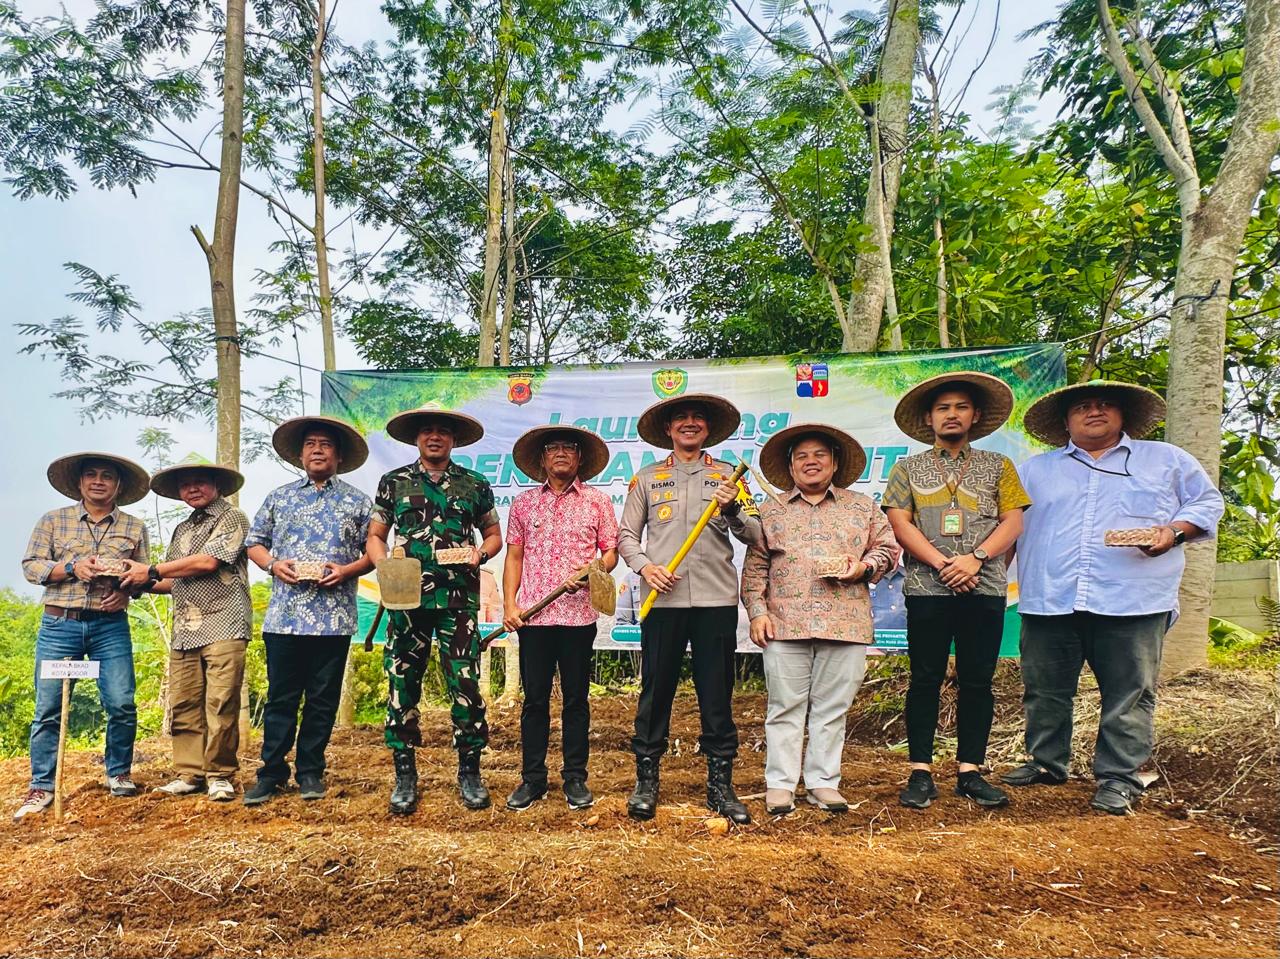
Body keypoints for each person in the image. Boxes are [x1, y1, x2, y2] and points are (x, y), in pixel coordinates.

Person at [1005, 381, 1223, 814]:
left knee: (1129, 692)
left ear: (1123, 415)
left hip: (1133, 599)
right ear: (1066, 421)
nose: (1094, 411)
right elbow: (1009, 527)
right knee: (1045, 689)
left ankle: (1119, 778)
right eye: (1082, 407)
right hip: (1051, 597)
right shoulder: (1035, 470)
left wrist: (1173, 532)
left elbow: (1207, 504)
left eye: (1105, 404)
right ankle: (1046, 763)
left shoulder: (1165, 460)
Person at [883, 371, 1029, 810]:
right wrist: (943, 563)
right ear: (929, 418)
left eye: (960, 407)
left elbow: (1014, 521)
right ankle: (920, 771)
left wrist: (976, 558)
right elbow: (899, 522)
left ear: (976, 415)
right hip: (927, 587)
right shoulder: (907, 468)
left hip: (983, 587)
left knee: (978, 680)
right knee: (925, 677)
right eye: (943, 407)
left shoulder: (999, 466)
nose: (952, 414)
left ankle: (970, 769)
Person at [742, 424, 901, 816]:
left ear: (834, 463)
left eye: (820, 455)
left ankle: (823, 782)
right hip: (784, 623)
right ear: (791, 466)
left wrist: (862, 567)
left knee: (832, 708)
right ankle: (780, 784)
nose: (811, 462)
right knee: (784, 707)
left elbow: (888, 549)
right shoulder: (771, 510)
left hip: (845, 623)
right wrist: (758, 613)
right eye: (801, 456)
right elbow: (755, 566)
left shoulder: (862, 507)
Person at [617, 393, 761, 823]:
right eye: (681, 418)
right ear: (668, 428)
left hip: (715, 600)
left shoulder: (729, 479)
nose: (690, 423)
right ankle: (647, 780)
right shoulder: (645, 479)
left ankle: (720, 786)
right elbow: (626, 536)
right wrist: (646, 568)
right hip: (664, 602)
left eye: (698, 418)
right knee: (655, 691)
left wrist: (733, 507)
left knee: (716, 694)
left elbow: (755, 534)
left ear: (708, 429)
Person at [367, 403, 503, 814]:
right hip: (406, 600)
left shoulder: (474, 484)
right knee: (402, 684)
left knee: (465, 686)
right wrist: (385, 566)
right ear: (416, 438)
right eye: (427, 431)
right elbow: (376, 535)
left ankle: (470, 772)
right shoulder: (394, 482)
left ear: (454, 440)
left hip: (458, 601)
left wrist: (480, 553)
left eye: (443, 431)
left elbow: (494, 534)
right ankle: (405, 775)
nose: (434, 437)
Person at [241, 416, 374, 806]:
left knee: (322, 700)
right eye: (311, 444)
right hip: (284, 616)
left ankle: (311, 771)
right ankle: (270, 773)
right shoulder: (279, 497)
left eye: (326, 445)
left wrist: (348, 570)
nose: (318, 450)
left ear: (339, 455)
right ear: (300, 454)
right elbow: (255, 543)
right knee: (282, 698)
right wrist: (272, 565)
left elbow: (374, 550)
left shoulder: (358, 501)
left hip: (333, 620)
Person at [15, 452, 151, 820]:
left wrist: (127, 592)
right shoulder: (53, 521)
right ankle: (41, 785)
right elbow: (31, 567)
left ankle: (119, 773)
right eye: (91, 475)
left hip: (111, 627)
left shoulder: (134, 527)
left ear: (118, 485)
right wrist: (73, 567)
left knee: (121, 702)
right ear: (79, 483)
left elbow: (143, 576)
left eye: (107, 476)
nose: (98, 481)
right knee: (48, 708)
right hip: (60, 625)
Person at [502, 424, 619, 811]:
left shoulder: (598, 502)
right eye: (553, 448)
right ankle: (532, 779)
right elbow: (514, 557)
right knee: (534, 701)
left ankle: (575, 778)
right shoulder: (523, 504)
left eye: (569, 448)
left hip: (578, 617)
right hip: (534, 619)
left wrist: (590, 570)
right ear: (542, 458)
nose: (562, 453)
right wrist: (509, 606)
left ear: (580, 457)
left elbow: (611, 554)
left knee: (576, 700)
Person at [120, 463, 251, 802]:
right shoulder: (181, 529)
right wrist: (136, 582)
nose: (193, 489)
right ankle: (190, 771)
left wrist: (148, 570)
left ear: (217, 486)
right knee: (184, 701)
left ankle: (220, 774)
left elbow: (207, 562)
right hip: (185, 625)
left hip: (225, 620)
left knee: (221, 700)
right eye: (186, 484)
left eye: (200, 483)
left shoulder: (233, 517)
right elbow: (170, 579)